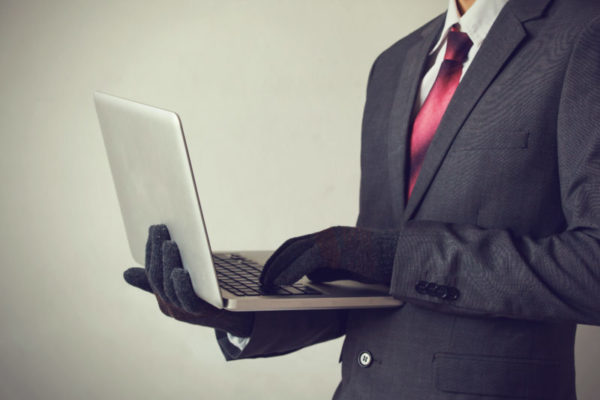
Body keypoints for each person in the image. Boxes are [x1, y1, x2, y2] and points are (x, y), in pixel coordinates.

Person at [124, 0, 600, 398]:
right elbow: (380, 290)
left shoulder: (584, 33)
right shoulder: (393, 64)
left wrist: (393, 255)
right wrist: (238, 313)